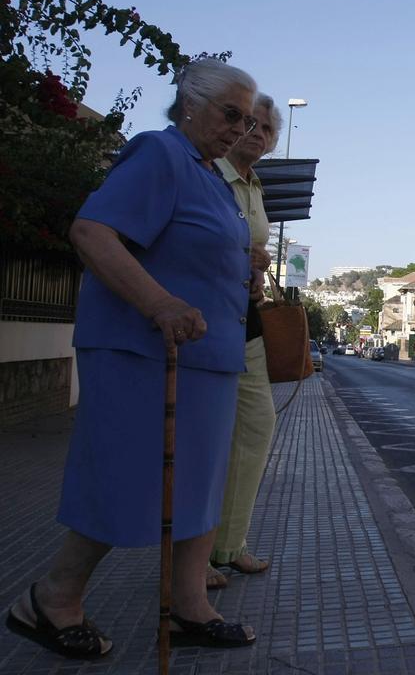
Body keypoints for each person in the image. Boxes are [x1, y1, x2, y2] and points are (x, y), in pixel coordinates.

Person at [5, 59, 258, 658]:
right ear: (190, 102)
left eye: (247, 120)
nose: (240, 129)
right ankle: (51, 597)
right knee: (125, 477)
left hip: (208, 357)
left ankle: (188, 604)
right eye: (231, 114)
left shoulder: (211, 176)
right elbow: (92, 232)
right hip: (144, 353)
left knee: (199, 487)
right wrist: (160, 301)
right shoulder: (159, 155)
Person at [206, 94, 281, 589]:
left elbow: (250, 246)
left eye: (268, 129)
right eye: (251, 123)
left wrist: (256, 267)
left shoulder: (253, 185)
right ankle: (196, 558)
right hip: (207, 318)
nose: (258, 133)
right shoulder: (209, 175)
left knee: (256, 427)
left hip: (245, 318)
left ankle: (228, 546)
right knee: (206, 437)